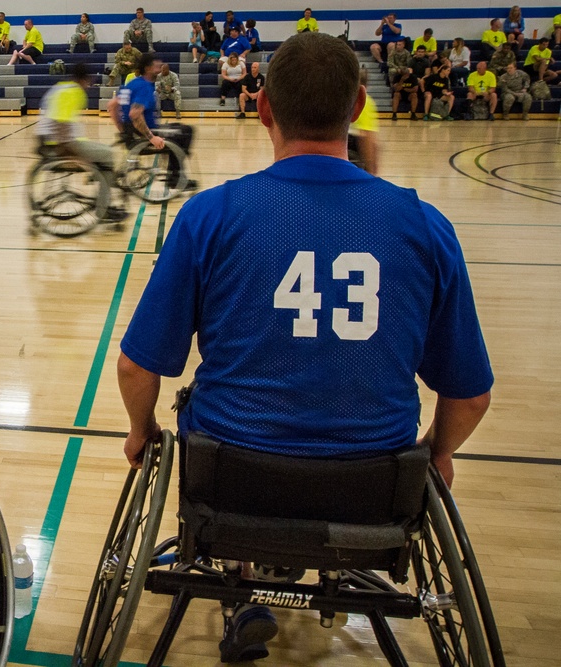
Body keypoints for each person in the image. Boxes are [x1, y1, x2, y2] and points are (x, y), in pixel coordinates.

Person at [116, 33, 492, 664]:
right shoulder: (423, 225)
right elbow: (470, 393)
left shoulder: (210, 216)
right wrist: (438, 453)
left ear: (262, 108)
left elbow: (136, 365)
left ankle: (240, 590)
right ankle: (335, 567)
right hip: (375, 485)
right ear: (355, 108)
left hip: (234, 479)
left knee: (205, 413)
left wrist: (140, 431)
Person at [35, 63, 125, 222]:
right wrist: (73, 156)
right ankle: (103, 208)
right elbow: (59, 125)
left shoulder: (61, 87)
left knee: (103, 152)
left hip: (46, 142)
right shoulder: (74, 92)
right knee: (108, 155)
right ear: (83, 80)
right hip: (59, 145)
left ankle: (99, 181)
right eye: (88, 81)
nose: (89, 85)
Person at [117, 53, 196, 190]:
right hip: (147, 131)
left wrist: (123, 130)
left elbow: (112, 105)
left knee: (180, 129)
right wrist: (152, 137)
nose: (160, 65)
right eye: (156, 63)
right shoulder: (144, 86)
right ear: (148, 68)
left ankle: (176, 166)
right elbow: (135, 114)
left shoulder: (133, 83)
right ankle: (175, 177)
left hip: (134, 131)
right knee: (185, 133)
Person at [348, 68, 379, 174]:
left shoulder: (338, 98)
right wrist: (371, 169)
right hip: (352, 154)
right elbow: (366, 137)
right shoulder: (365, 101)